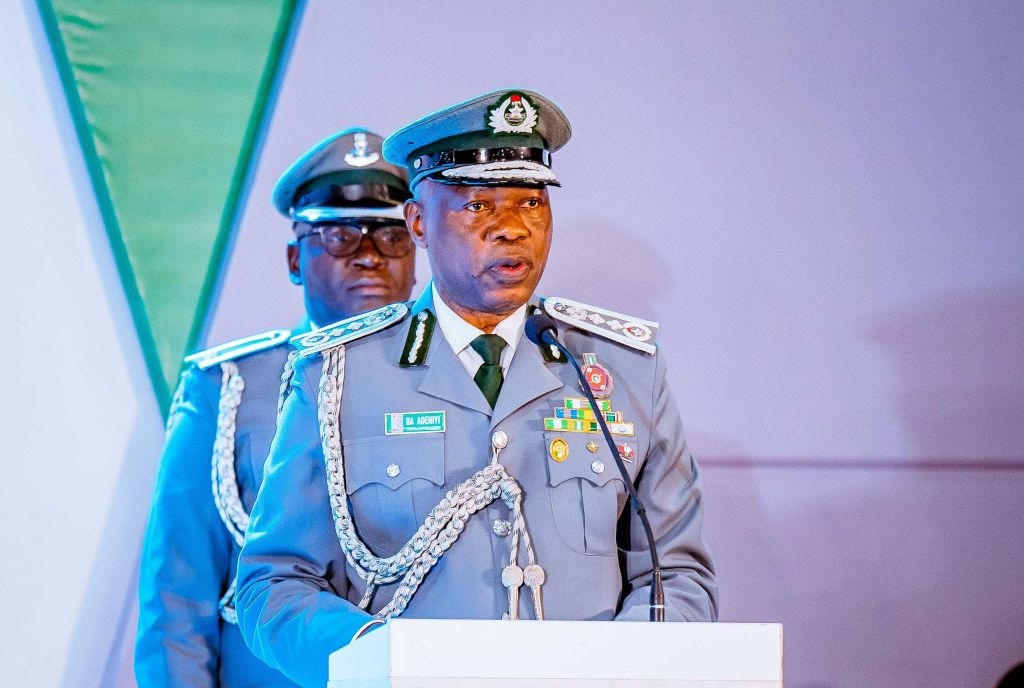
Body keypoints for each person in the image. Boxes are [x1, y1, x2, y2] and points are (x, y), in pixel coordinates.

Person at [234, 89, 718, 688]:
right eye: (478, 206)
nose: (511, 229)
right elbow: (272, 582)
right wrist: (374, 659)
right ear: (417, 222)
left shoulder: (624, 370)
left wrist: (621, 672)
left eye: (530, 203)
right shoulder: (338, 374)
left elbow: (676, 575)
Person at [135, 129, 416, 687]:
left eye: (391, 236)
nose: (368, 256)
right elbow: (178, 598)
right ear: (295, 257)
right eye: (339, 236)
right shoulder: (229, 386)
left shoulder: (457, 380)